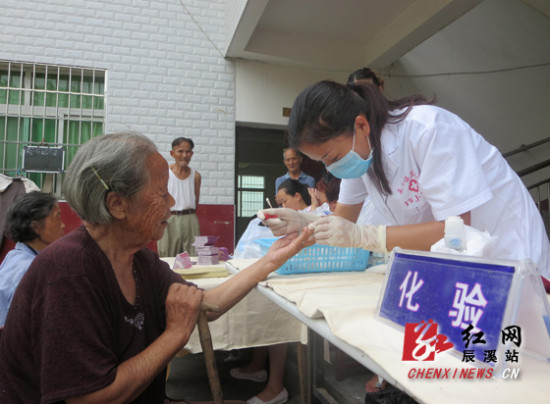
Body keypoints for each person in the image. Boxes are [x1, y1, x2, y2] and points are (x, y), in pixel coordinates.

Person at [260, 80, 550, 394]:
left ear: (360, 124)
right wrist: (301, 220)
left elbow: (456, 231)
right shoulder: (359, 156)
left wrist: (365, 235)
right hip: (460, 271)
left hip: (509, 257)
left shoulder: (429, 129)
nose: (331, 168)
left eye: (331, 157)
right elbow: (342, 222)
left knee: (519, 373)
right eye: (323, 162)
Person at [0, 132, 313, 404]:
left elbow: (206, 306)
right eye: (162, 193)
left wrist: (271, 260)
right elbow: (92, 397)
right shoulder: (68, 272)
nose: (172, 201)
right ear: (117, 204)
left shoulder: (139, 260)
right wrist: (175, 334)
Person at [0, 191, 65, 326]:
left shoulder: (15, 256)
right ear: (36, 227)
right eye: (57, 217)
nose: (63, 225)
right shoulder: (29, 269)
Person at [158, 137, 201, 257]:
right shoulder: (165, 173)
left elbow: (196, 201)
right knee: (167, 255)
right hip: (170, 218)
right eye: (180, 151)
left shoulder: (196, 176)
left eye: (188, 151)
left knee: (193, 256)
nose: (184, 155)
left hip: (190, 218)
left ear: (192, 154)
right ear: (172, 153)